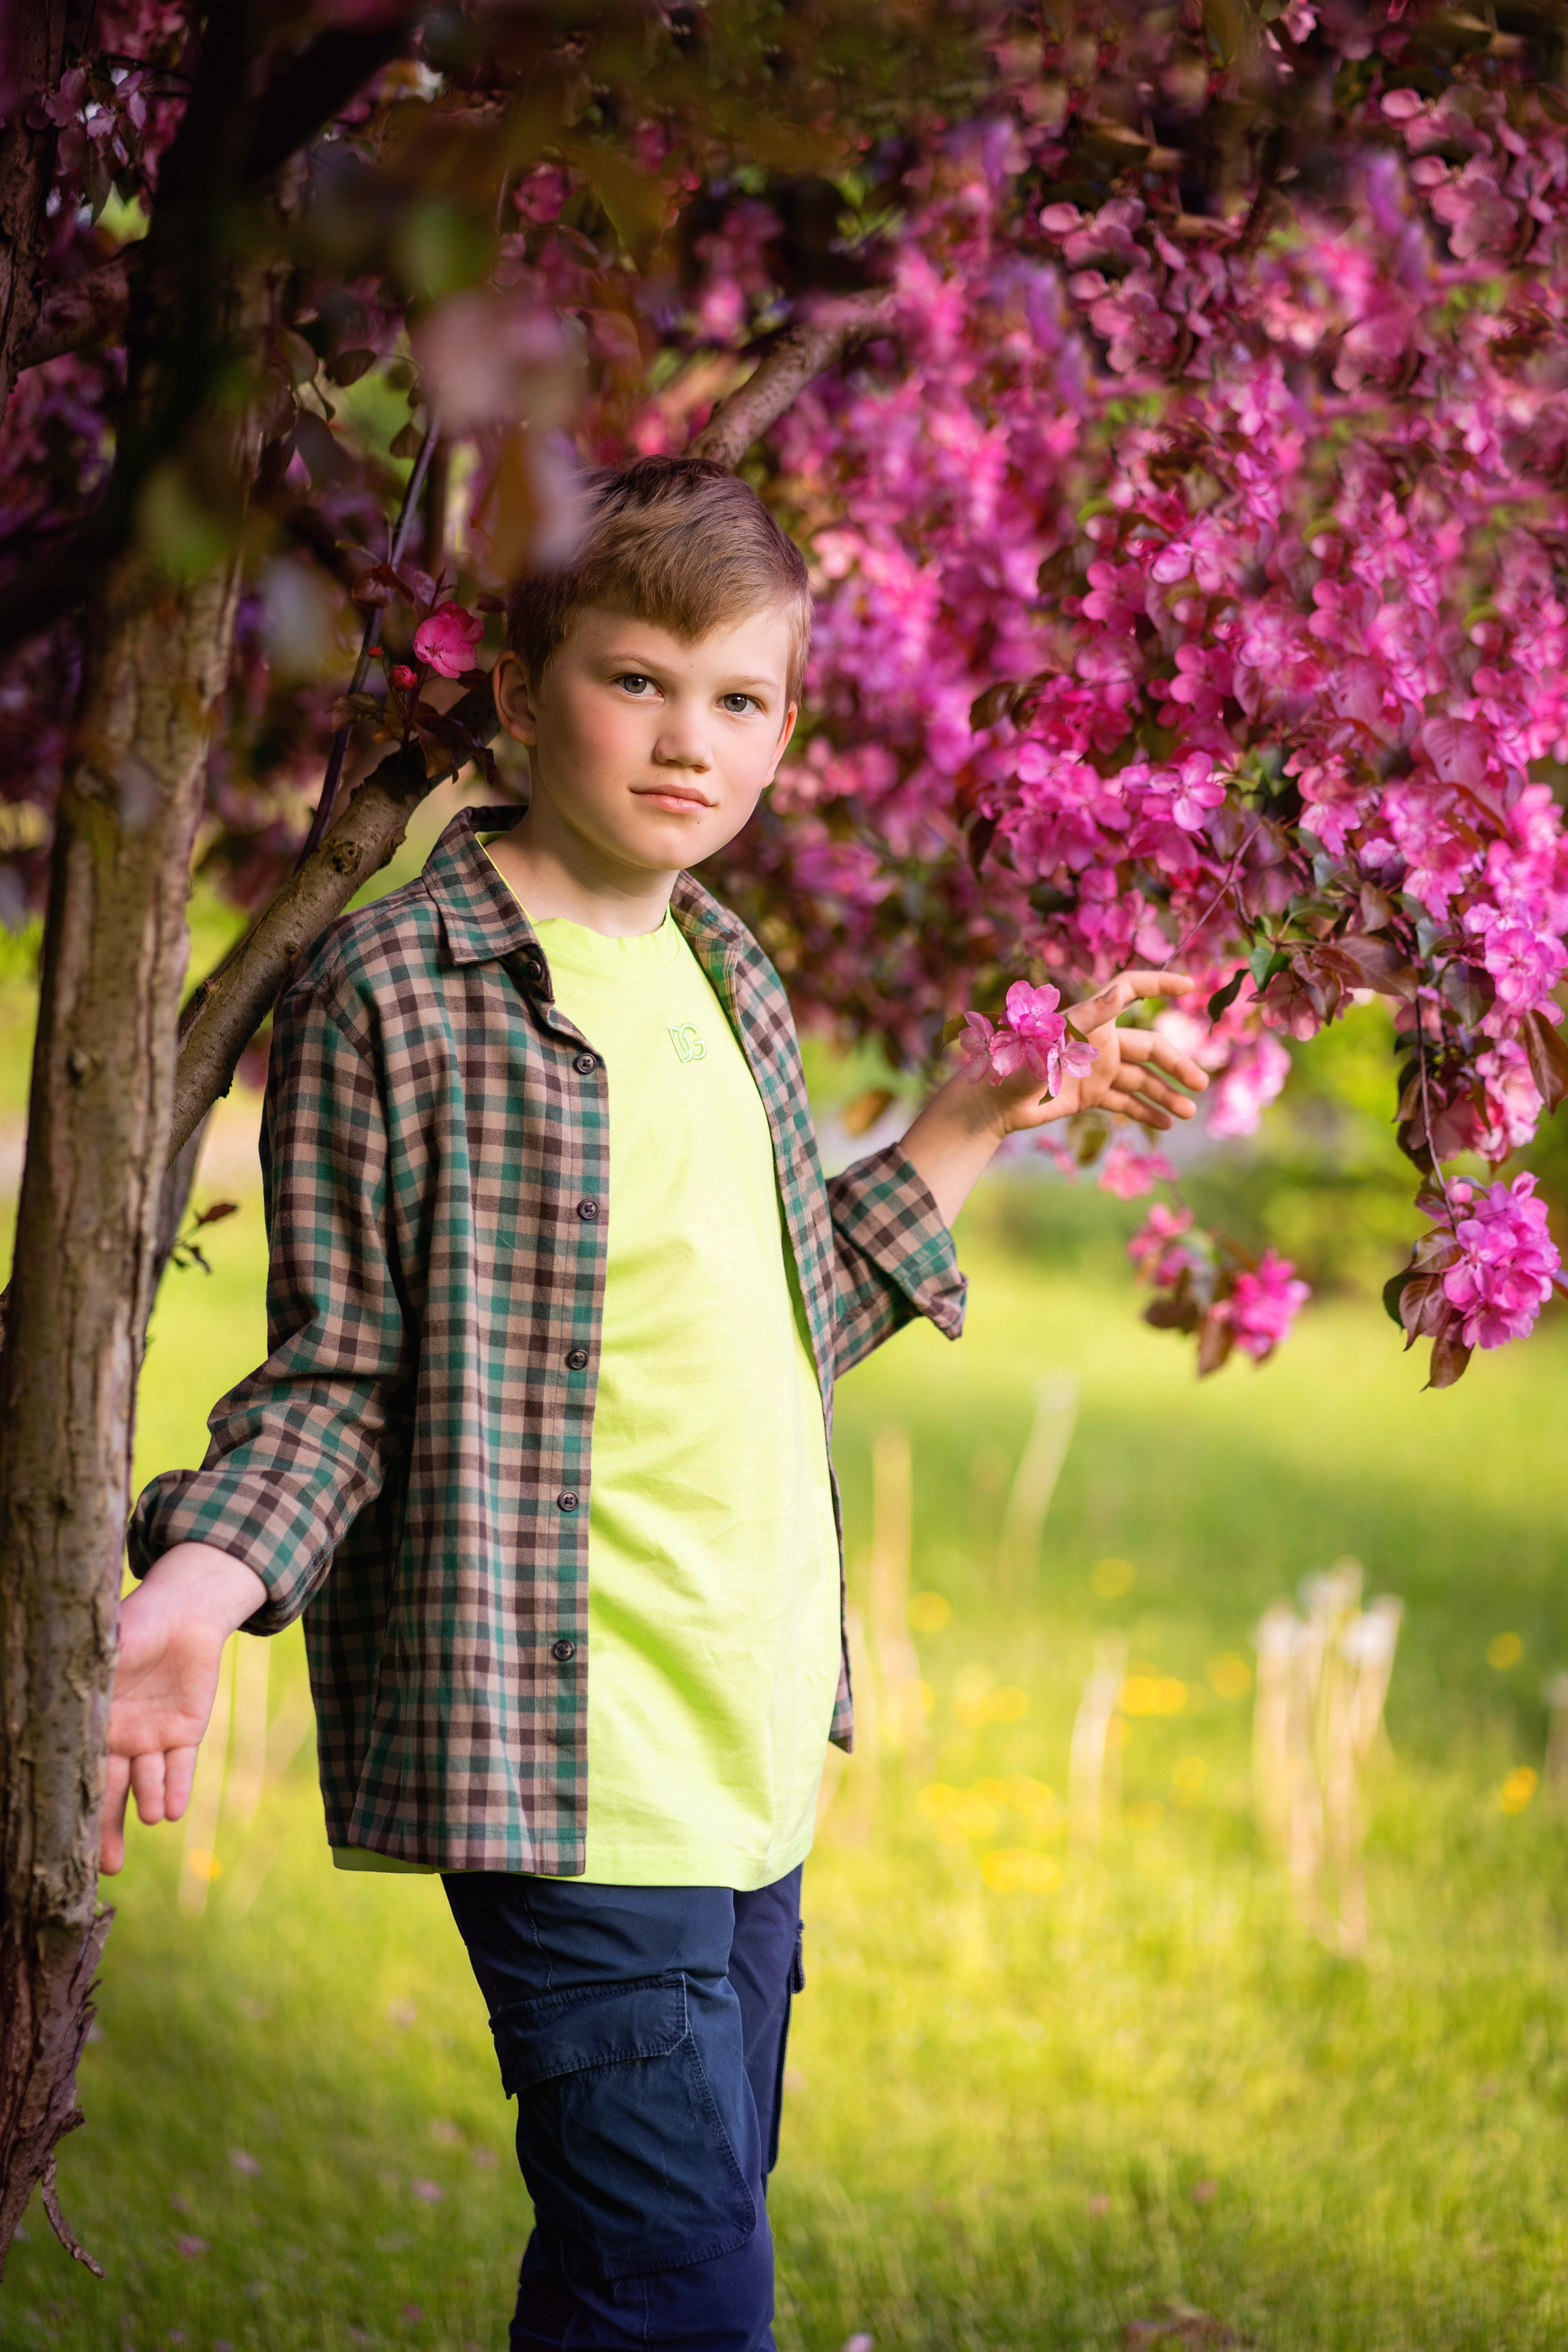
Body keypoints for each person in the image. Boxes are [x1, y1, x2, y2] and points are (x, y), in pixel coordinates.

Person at [105, 454, 1207, 2350]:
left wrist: (959, 1121)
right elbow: (347, 1369)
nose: (688, 741)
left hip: (751, 1753)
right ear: (524, 692)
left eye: (742, 698)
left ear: (785, 722)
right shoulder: (403, 987)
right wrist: (204, 1579)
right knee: (692, 2298)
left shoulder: (728, 969)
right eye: (636, 681)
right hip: (571, 1765)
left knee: (636, 2274)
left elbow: (764, 1325)